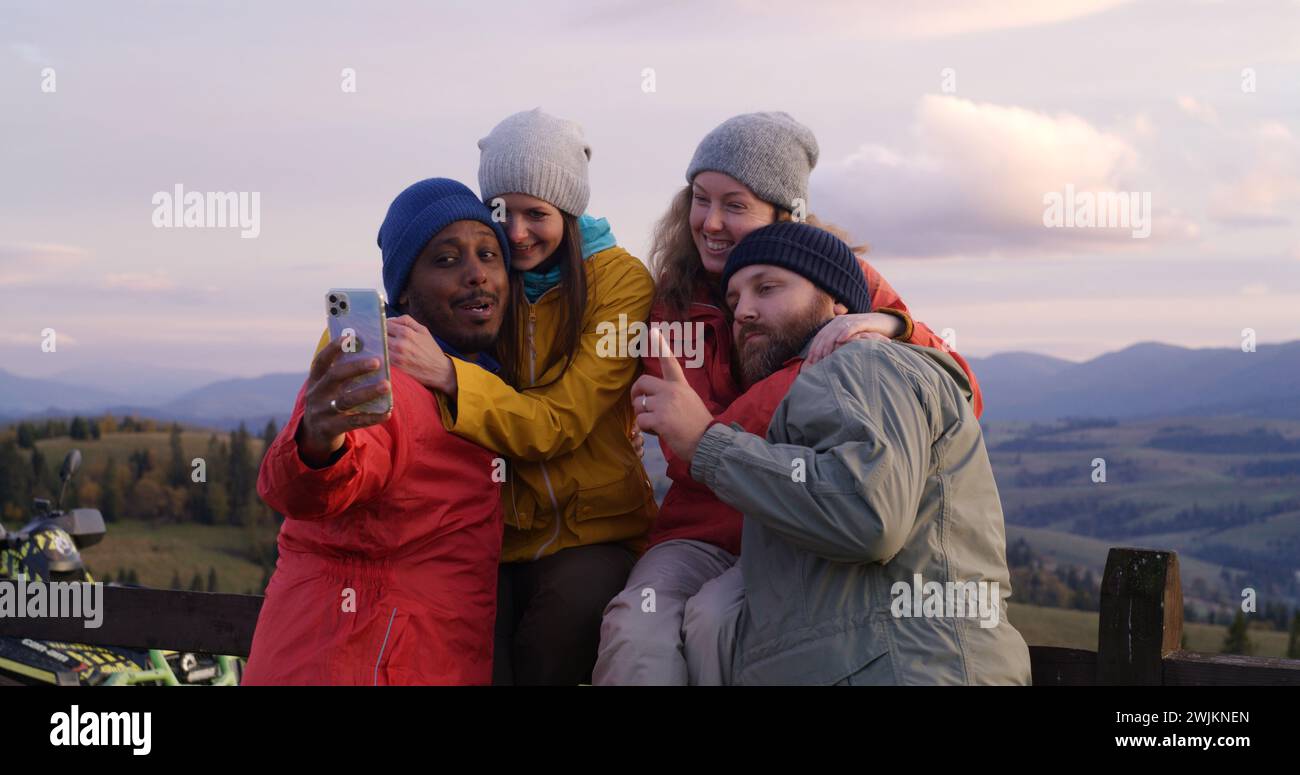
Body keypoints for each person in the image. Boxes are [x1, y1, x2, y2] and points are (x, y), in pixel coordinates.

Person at [595, 111, 982, 685]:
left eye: (736, 204)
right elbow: (683, 450)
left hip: (793, 525)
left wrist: (893, 326)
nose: (712, 222)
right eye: (701, 199)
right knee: (635, 625)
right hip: (699, 526)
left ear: (786, 213)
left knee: (717, 622)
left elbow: (958, 394)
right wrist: (791, 382)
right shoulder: (674, 304)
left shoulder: (834, 276)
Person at [633, 221, 1032, 685]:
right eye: (735, 300)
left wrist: (706, 442)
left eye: (767, 288)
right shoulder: (819, 388)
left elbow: (867, 516)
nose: (744, 311)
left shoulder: (863, 361)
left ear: (838, 302)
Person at [385, 109, 656, 685]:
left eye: (538, 213)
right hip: (499, 533)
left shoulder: (619, 283)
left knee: (549, 641)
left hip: (596, 531)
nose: (516, 233)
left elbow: (560, 422)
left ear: (571, 211)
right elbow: (409, 306)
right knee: (474, 656)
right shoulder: (488, 278)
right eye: (502, 212)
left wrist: (455, 379)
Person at [244, 178, 511, 685]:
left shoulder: (483, 385)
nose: (477, 275)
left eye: (488, 255)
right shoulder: (386, 378)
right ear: (404, 288)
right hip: (358, 658)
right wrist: (321, 441)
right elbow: (322, 482)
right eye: (447, 260)